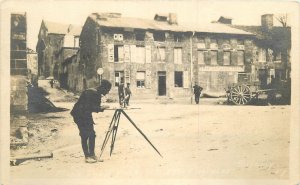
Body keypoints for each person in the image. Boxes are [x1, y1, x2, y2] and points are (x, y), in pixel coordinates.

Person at [70, 79, 112, 163]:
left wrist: (100, 108)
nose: (107, 92)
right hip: (79, 114)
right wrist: (101, 108)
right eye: (107, 90)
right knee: (84, 135)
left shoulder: (97, 93)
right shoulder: (91, 93)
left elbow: (93, 107)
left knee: (92, 134)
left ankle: (92, 155)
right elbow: (89, 107)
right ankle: (87, 157)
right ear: (102, 88)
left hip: (86, 114)